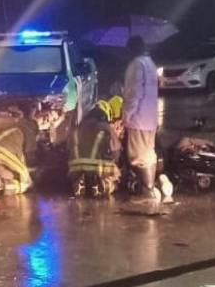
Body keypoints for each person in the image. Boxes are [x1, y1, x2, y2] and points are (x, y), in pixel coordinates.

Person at [122, 36, 172, 202]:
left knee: (139, 156)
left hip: (138, 118)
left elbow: (133, 93)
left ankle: (147, 191)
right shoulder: (150, 63)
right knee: (148, 153)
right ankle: (148, 189)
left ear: (132, 50)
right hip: (150, 118)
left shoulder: (137, 65)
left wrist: (126, 116)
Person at [69, 96, 124, 198]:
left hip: (74, 167)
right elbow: (115, 152)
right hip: (95, 167)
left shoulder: (81, 125)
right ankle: (104, 185)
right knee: (118, 175)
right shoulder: (105, 127)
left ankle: (80, 182)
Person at [0, 115, 40, 197]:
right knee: (27, 183)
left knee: (18, 173)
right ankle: (0, 185)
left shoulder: (11, 129)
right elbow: (30, 158)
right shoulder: (28, 131)